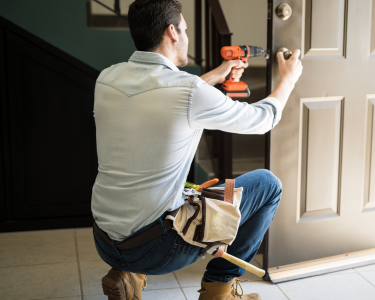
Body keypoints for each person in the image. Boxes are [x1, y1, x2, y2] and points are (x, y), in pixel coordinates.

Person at [91, 0, 302, 299]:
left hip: (105, 241)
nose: (187, 36)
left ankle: (128, 274)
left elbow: (167, 98)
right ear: (172, 32)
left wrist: (217, 75)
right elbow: (263, 119)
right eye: (185, 29)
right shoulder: (188, 90)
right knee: (268, 185)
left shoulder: (107, 79)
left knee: (180, 192)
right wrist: (289, 79)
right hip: (156, 248)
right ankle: (219, 289)